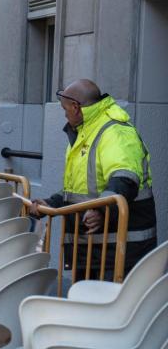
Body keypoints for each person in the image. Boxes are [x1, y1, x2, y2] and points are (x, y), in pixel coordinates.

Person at [29, 79, 157, 277]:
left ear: (76, 107)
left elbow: (125, 177)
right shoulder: (86, 132)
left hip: (119, 252)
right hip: (95, 251)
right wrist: (50, 203)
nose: (64, 114)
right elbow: (81, 191)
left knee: (107, 306)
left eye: (65, 109)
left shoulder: (115, 132)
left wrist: (101, 210)